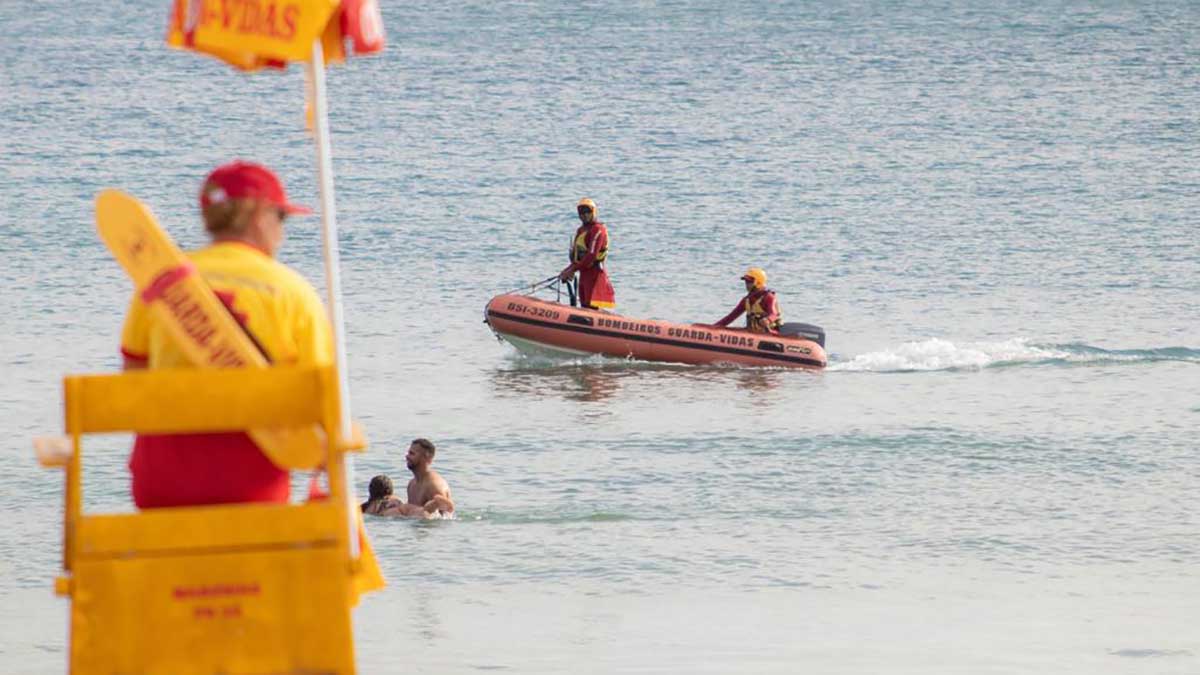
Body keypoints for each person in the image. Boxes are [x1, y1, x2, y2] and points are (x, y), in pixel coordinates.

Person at [120, 160, 332, 508]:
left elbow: (131, 387)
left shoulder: (159, 285)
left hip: (161, 487)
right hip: (252, 490)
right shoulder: (294, 293)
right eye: (282, 217)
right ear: (258, 215)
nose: (282, 230)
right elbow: (319, 402)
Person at [362, 439, 454, 518]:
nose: (407, 456)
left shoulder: (434, 484)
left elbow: (445, 517)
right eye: (408, 452)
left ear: (426, 457)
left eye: (412, 453)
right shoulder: (412, 484)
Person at [558, 197, 615, 310]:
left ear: (593, 212)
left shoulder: (598, 230)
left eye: (588, 212)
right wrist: (567, 270)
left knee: (592, 307)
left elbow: (591, 256)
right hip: (583, 274)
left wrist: (572, 270)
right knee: (584, 306)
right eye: (581, 212)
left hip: (595, 275)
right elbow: (576, 258)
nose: (584, 215)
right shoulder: (580, 231)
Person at [713, 267, 783, 334]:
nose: (747, 285)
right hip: (752, 333)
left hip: (770, 333)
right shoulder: (747, 300)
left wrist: (768, 320)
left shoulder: (768, 297)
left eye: (749, 282)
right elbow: (730, 317)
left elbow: (774, 314)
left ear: (758, 282)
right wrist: (712, 328)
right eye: (746, 282)